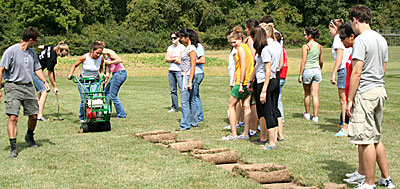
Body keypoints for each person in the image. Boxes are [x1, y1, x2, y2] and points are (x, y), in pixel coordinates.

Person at [345, 5, 395, 189]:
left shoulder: (361, 40)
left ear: (355, 20)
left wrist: (350, 99)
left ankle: (369, 183)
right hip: (380, 90)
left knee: (365, 139)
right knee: (375, 137)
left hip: (366, 93)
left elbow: (357, 71)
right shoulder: (381, 39)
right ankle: (385, 178)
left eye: (351, 23)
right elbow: (383, 68)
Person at [0, 26, 50, 158]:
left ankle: (29, 135)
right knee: (13, 117)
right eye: (36, 40)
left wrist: (45, 81)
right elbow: (1, 69)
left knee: (34, 116)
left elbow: (37, 68)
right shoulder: (11, 51)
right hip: (13, 86)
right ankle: (13, 147)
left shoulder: (31, 52)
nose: (37, 43)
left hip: (28, 87)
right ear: (31, 39)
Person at [248, 24, 282, 149]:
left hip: (267, 82)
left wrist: (263, 90)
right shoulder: (262, 49)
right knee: (265, 111)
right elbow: (258, 66)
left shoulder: (266, 49)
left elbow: (268, 71)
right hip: (263, 81)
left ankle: (272, 142)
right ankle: (268, 139)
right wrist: (251, 80)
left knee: (269, 112)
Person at [222, 26, 254, 140]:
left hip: (242, 82)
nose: (233, 45)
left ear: (240, 39)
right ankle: (245, 133)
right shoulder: (246, 47)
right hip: (248, 81)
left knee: (231, 106)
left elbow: (243, 66)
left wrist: (240, 83)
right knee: (246, 106)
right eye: (231, 43)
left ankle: (234, 133)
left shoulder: (241, 48)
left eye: (234, 42)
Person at [67, 41, 106, 123]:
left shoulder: (101, 59)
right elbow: (74, 65)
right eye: (97, 53)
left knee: (95, 99)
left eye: (100, 53)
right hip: (83, 81)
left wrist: (103, 75)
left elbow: (101, 69)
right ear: (92, 50)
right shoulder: (84, 57)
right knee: (85, 100)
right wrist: (70, 74)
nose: (98, 55)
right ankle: (82, 117)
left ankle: (95, 116)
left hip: (95, 81)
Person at [34, 41, 69, 121]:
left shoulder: (51, 47)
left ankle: (35, 112)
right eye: (62, 54)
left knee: (40, 92)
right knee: (45, 91)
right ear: (59, 51)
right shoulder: (53, 59)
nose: (62, 56)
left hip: (35, 69)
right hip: (34, 71)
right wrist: (55, 86)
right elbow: (50, 74)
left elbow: (41, 46)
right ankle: (39, 116)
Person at [329, 19, 352, 137]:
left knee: (344, 100)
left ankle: (345, 126)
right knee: (349, 99)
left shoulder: (338, 39)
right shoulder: (345, 37)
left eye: (330, 29)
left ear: (335, 28)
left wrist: (333, 73)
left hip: (343, 69)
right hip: (348, 68)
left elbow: (339, 57)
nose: (330, 32)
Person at [298, 27, 323, 122]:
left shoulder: (306, 46)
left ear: (309, 35)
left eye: (305, 34)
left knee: (307, 93)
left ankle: (307, 114)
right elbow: (321, 61)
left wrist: (300, 74)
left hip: (308, 70)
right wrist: (320, 69)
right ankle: (315, 116)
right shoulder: (319, 46)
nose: (304, 36)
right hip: (317, 70)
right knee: (315, 95)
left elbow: (303, 61)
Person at [176, 28, 198, 131]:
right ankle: (193, 121)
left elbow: (193, 65)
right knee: (191, 99)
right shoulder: (187, 48)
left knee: (185, 101)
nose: (180, 39)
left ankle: (184, 125)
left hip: (187, 76)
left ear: (187, 37)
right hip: (185, 75)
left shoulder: (191, 49)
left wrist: (189, 82)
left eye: (182, 37)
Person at [244, 19, 259, 138]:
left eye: (246, 28)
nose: (245, 30)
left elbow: (253, 57)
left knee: (252, 103)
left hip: (252, 73)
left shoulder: (250, 40)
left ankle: (253, 128)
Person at [102, 45, 127, 119]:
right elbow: (107, 71)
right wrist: (105, 79)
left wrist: (109, 62)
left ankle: (121, 115)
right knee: (106, 91)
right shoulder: (104, 57)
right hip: (115, 74)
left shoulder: (109, 52)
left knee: (113, 95)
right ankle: (107, 111)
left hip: (120, 73)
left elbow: (119, 60)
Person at [165, 31, 185, 113]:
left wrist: (172, 59)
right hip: (171, 70)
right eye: (171, 38)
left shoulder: (182, 48)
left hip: (179, 71)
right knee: (173, 90)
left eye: (174, 38)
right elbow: (166, 59)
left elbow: (180, 60)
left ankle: (185, 106)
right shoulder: (170, 48)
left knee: (182, 89)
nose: (173, 39)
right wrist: (174, 59)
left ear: (179, 38)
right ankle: (174, 107)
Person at [275, 32, 287, 141]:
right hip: (282, 77)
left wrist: (275, 71)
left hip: (279, 77)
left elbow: (281, 64)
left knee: (277, 101)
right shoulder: (282, 49)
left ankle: (280, 120)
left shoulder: (278, 49)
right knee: (278, 99)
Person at [192, 32, 205, 123]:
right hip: (194, 73)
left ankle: (199, 117)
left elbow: (202, 60)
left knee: (195, 96)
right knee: (194, 95)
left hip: (197, 73)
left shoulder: (198, 47)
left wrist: (192, 61)